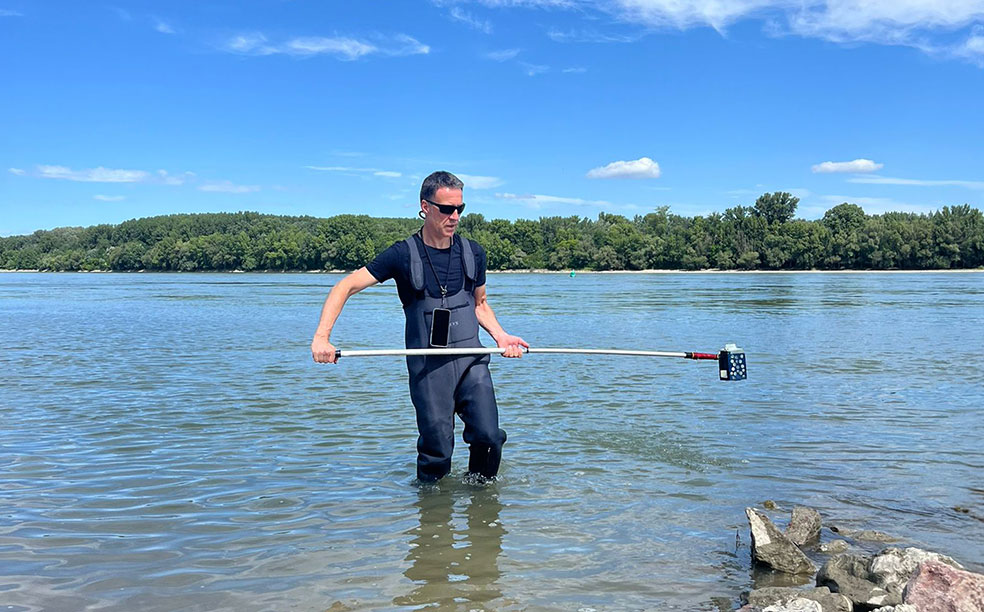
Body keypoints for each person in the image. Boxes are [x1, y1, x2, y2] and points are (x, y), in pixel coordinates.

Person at [311, 171, 528, 483]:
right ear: (425, 207)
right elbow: (344, 287)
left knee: (489, 437)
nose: (454, 217)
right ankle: (431, 516)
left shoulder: (473, 252)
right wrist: (322, 338)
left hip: (471, 360)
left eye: (460, 209)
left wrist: (502, 336)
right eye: (446, 209)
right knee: (437, 451)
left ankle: (482, 510)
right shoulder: (401, 254)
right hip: (429, 368)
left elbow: (480, 304)